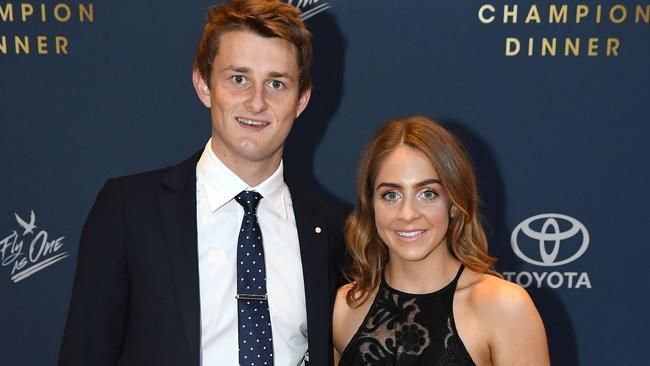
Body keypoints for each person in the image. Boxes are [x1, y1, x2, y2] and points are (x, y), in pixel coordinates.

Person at [58, 1, 347, 365]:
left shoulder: (334, 230)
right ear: (204, 85)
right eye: (238, 79)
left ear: (301, 99)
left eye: (276, 83)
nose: (256, 102)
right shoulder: (129, 212)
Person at [332, 116, 549, 365]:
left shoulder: (502, 307)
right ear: (370, 205)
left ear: (455, 203)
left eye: (428, 193)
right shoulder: (345, 307)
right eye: (390, 194)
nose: (407, 214)